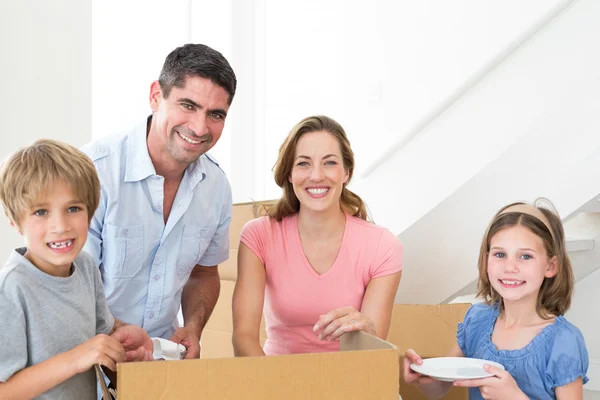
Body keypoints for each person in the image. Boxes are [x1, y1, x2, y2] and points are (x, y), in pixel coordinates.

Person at [81, 43, 237, 359]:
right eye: (188, 105)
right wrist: (125, 339)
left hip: (159, 363)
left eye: (215, 114)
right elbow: (70, 284)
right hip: (85, 363)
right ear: (156, 96)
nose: (199, 127)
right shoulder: (93, 172)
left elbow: (203, 273)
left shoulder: (217, 188)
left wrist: (193, 325)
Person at [232, 115, 403, 356]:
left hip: (349, 382)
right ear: (289, 174)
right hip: (276, 381)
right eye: (303, 163)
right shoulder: (259, 235)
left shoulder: (382, 246)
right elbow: (243, 337)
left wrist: (368, 330)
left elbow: (372, 353)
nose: (316, 175)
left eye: (329, 162)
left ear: (346, 172)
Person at [0, 139, 152, 400]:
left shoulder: (85, 267)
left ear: (90, 212)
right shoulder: (11, 288)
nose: (60, 226)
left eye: (73, 208)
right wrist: (77, 358)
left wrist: (125, 349)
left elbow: (101, 346)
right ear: (15, 221)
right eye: (40, 212)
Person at [404, 200, 589, 399]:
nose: (510, 267)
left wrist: (514, 396)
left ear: (550, 266)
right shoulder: (476, 321)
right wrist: (423, 376)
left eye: (525, 256)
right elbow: (439, 390)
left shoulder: (563, 341)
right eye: (500, 254)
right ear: (486, 261)